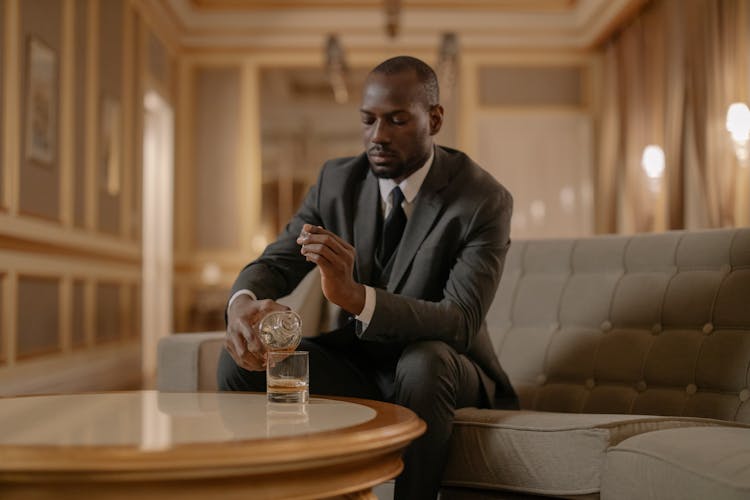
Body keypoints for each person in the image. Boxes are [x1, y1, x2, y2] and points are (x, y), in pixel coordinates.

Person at [218, 55, 518, 500]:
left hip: (446, 370)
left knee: (424, 360)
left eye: (397, 120)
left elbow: (459, 321)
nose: (377, 136)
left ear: (434, 119)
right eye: (368, 120)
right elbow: (279, 260)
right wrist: (242, 303)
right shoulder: (337, 180)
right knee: (240, 362)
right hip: (361, 365)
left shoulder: (481, 199)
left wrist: (357, 297)